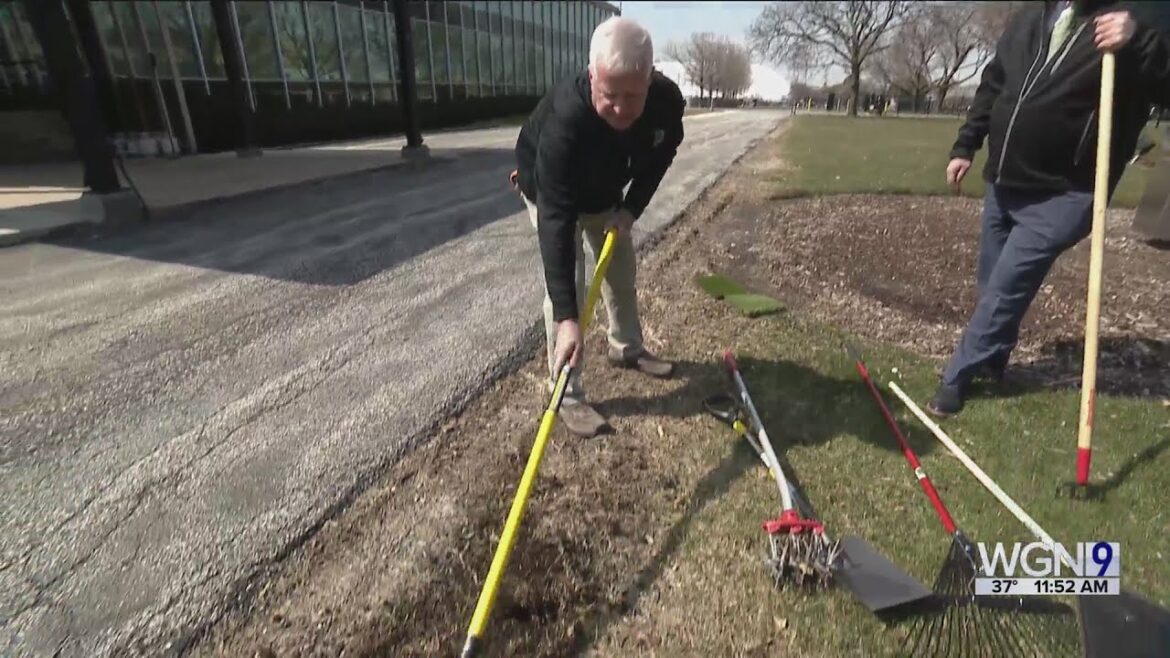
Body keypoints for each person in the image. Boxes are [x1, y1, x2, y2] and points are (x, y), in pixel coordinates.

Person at [929, 0, 1170, 418]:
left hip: (1066, 192)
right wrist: (966, 145)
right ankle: (993, 360)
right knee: (993, 284)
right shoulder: (1029, 19)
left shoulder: (1140, 19)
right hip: (1004, 180)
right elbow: (994, 84)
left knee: (1005, 290)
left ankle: (955, 379)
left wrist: (1141, 41)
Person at [511, 16, 686, 437]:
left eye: (634, 95)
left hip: (606, 190)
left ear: (650, 77)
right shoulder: (565, 121)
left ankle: (626, 348)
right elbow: (555, 218)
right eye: (611, 95)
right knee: (566, 291)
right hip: (552, 191)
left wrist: (631, 209)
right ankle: (566, 392)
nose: (624, 108)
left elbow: (663, 153)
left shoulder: (666, 101)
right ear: (592, 77)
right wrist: (571, 318)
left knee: (621, 270)